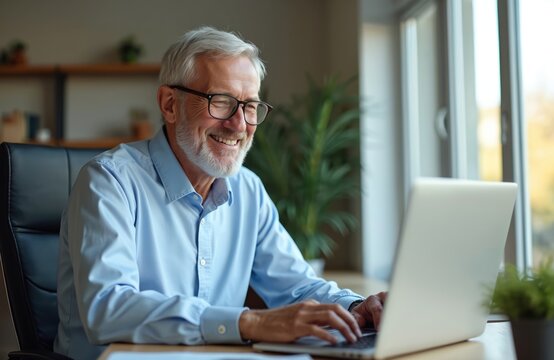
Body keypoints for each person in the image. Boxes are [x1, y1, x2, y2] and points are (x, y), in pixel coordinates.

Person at [54, 26, 386, 360]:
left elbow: (298, 286)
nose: (239, 124)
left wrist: (358, 307)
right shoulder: (109, 181)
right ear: (170, 104)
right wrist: (249, 323)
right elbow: (108, 309)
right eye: (222, 102)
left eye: (251, 106)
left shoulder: (248, 189)